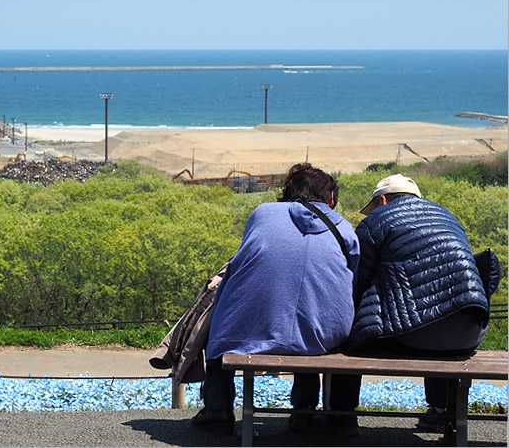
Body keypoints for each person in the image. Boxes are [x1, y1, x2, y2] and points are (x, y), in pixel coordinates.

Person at [192, 163, 360, 436]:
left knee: (221, 330)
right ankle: (303, 411)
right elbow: (352, 280)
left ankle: (218, 411)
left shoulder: (264, 213)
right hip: (325, 335)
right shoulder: (346, 230)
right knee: (309, 316)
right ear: (331, 199)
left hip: (255, 331)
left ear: (288, 193)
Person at [323, 174, 499, 436]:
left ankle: (341, 417)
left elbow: (356, 284)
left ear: (382, 200)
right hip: (468, 333)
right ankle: (442, 413)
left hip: (414, 336)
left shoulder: (376, 222)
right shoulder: (448, 217)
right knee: (438, 312)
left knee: (351, 337)